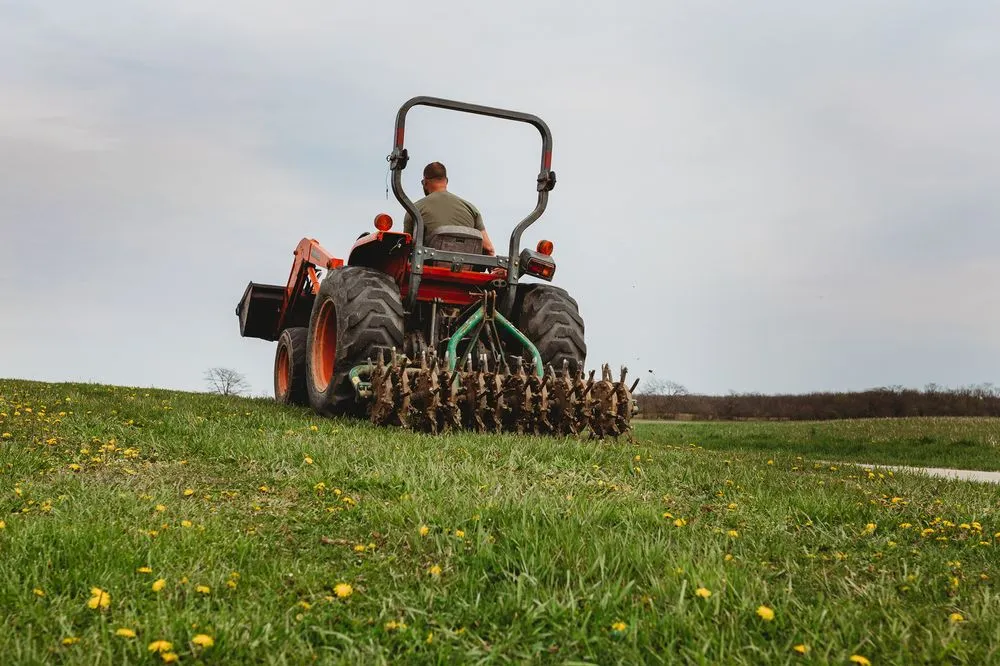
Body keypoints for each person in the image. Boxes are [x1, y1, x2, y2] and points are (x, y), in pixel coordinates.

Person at [403, 162, 496, 255]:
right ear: (446, 181)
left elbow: (406, 249)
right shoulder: (471, 209)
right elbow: (489, 248)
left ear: (425, 182)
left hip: (427, 267)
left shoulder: (414, 209)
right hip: (466, 268)